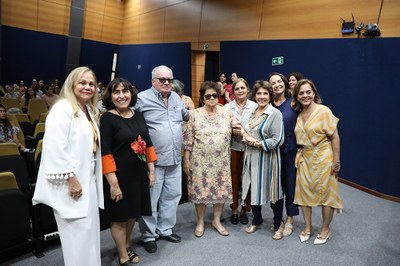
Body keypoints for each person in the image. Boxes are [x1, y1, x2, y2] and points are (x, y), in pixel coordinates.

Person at [32, 66, 104, 265]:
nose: (87, 87)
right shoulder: (62, 108)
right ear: (72, 84)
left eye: (91, 83)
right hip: (71, 182)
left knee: (89, 234)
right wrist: (72, 179)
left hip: (87, 179)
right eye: (82, 82)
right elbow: (55, 148)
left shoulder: (88, 110)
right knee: (77, 240)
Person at [100, 78, 157, 265]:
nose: (122, 96)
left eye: (125, 91)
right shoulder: (107, 118)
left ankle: (126, 245)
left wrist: (151, 170)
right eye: (116, 92)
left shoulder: (138, 114)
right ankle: (123, 255)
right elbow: (105, 152)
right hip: (118, 176)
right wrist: (113, 184)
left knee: (133, 213)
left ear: (131, 94)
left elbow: (147, 143)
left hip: (138, 174)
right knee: (119, 217)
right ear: (111, 96)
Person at [136, 65, 189, 254]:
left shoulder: (176, 97)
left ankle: (164, 229)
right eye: (162, 80)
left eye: (169, 79)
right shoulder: (142, 99)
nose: (167, 83)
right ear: (153, 81)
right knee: (151, 200)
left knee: (172, 197)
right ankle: (148, 235)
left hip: (175, 158)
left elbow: (186, 116)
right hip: (154, 161)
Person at [291, 79, 342, 245]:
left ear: (314, 93)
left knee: (327, 194)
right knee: (304, 194)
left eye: (308, 92)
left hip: (323, 157)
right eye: (301, 93)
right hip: (305, 158)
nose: (305, 96)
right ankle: (307, 226)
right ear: (297, 96)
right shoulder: (298, 115)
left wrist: (336, 160)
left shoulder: (323, 111)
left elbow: (335, 136)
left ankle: (325, 228)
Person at [183, 81, 235, 238]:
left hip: (222, 160)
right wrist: (186, 158)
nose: (212, 98)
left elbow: (238, 128)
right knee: (200, 191)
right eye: (208, 96)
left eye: (215, 95)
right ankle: (200, 222)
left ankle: (216, 221)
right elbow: (188, 138)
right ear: (202, 98)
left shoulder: (227, 113)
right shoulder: (194, 114)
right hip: (200, 161)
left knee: (220, 190)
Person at [241, 80, 285, 240]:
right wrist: (245, 135)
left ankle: (279, 223)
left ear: (270, 95)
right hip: (252, 158)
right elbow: (247, 129)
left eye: (265, 93)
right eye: (259, 93)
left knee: (273, 190)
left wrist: (256, 143)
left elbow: (278, 139)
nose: (262, 96)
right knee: (254, 188)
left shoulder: (275, 114)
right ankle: (257, 219)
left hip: (268, 158)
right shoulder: (253, 111)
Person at [268, 72, 299, 237]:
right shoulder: (268, 105)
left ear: (285, 82)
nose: (277, 85)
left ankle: (290, 218)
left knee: (289, 184)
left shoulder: (294, 102)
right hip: (273, 150)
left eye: (279, 81)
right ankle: (277, 217)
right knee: (275, 185)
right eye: (273, 83)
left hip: (290, 148)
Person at [224, 78, 257, 225]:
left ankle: (244, 209)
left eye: (243, 88)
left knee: (248, 180)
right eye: (237, 89)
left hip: (250, 148)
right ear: (233, 92)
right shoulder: (226, 107)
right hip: (233, 149)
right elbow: (222, 128)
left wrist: (245, 131)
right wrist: (231, 130)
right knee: (234, 180)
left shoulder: (256, 106)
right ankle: (234, 210)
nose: (240, 91)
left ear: (248, 90)